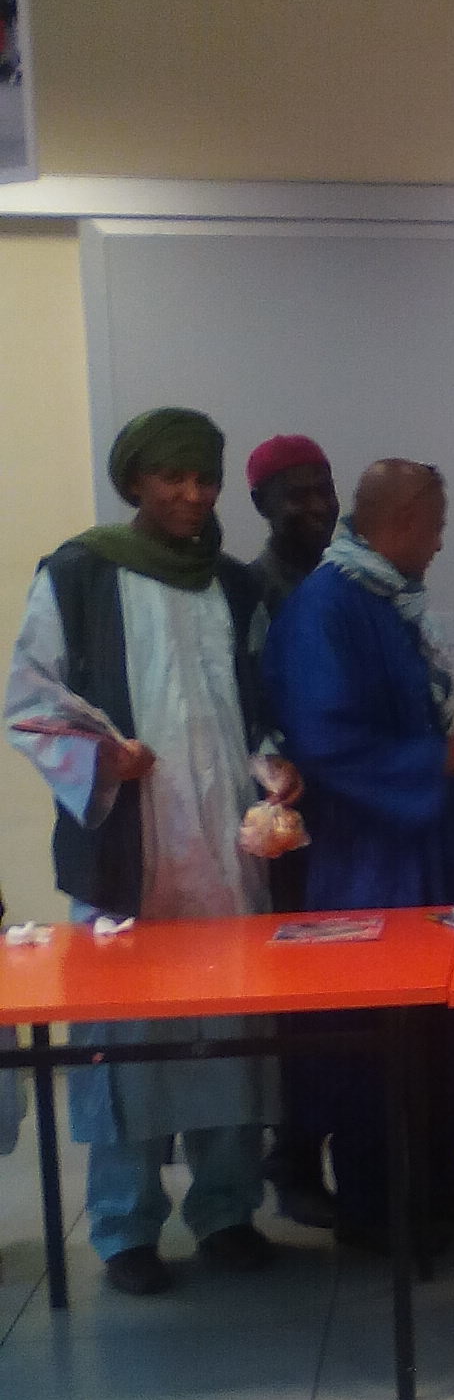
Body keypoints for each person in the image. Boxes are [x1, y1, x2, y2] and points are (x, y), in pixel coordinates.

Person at [4, 407, 289, 1295]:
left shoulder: (234, 586)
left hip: (228, 858)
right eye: (172, 477)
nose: (192, 495)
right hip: (130, 855)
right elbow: (29, 702)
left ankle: (226, 1210)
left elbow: (261, 701)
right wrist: (103, 758)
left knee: (231, 1033)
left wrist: (275, 769)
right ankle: (124, 1227)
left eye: (206, 479)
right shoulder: (79, 574)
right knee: (125, 1043)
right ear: (135, 481)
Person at [264, 459, 454, 1251]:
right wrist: (444, 757)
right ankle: (376, 1210)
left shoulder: (390, 599)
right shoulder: (325, 608)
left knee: (444, 1028)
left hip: (426, 851)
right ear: (400, 523)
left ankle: (438, 1180)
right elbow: (327, 745)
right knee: (376, 1037)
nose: (439, 544)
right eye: (435, 527)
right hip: (366, 864)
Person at [245, 431, 340, 1225]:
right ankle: (295, 1158)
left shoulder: (348, 577)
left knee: (360, 993)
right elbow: (247, 708)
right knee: (303, 1002)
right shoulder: (250, 591)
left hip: (354, 818)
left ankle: (384, 1153)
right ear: (261, 505)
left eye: (323, 490)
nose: (314, 507)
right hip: (290, 829)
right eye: (295, 495)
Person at [246, 434, 339, 617]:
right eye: (299, 496)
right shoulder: (244, 594)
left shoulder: (358, 581)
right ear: (261, 503)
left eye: (325, 491)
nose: (319, 507)